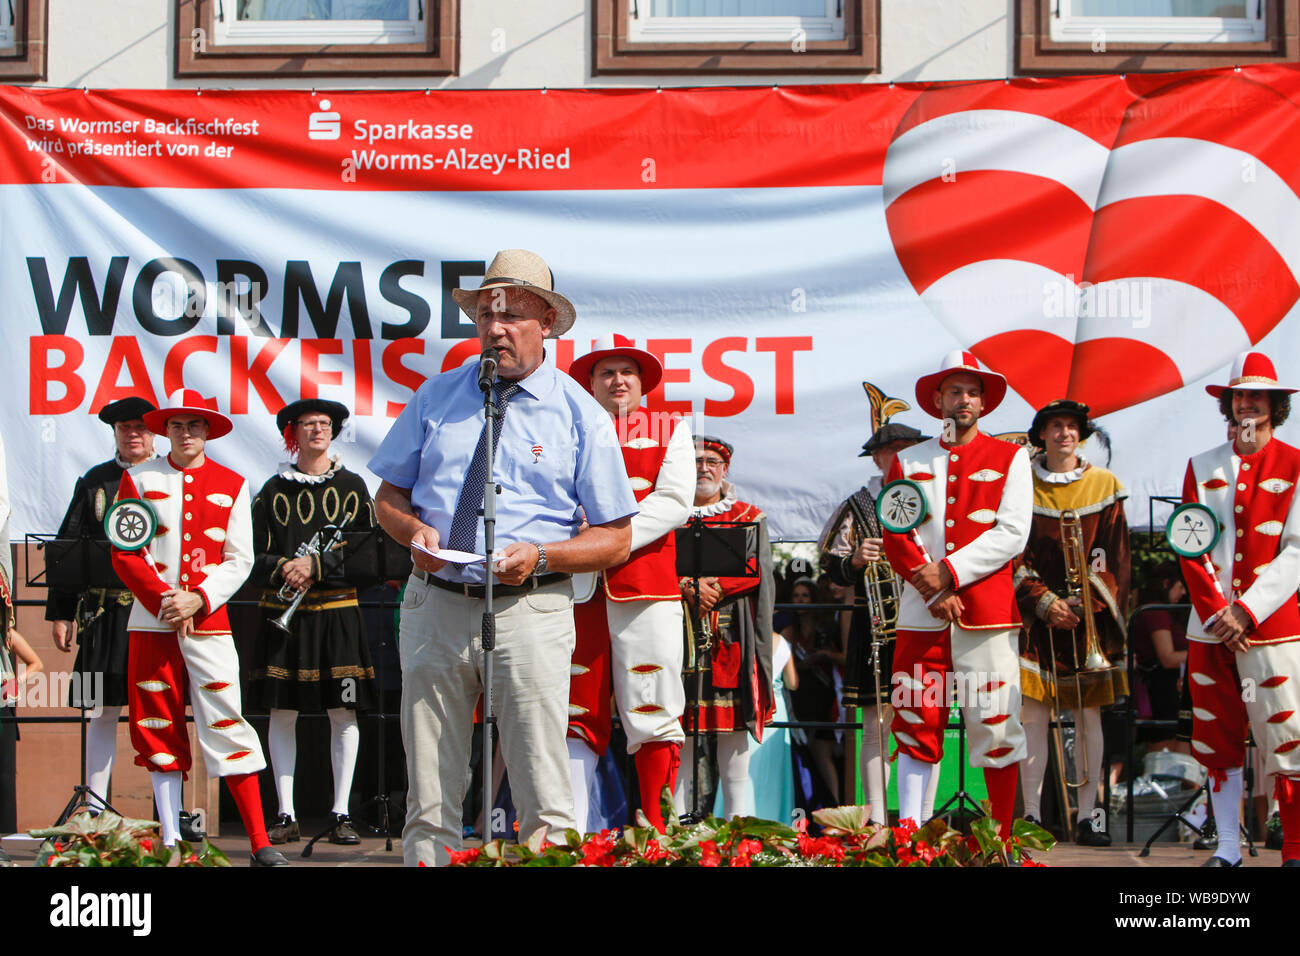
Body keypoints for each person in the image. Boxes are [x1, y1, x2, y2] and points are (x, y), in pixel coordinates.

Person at [369, 249, 637, 866]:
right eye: (486, 314)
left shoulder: (579, 413)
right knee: (429, 795)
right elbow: (387, 498)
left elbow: (616, 538)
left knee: (544, 789)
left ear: (546, 321)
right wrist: (414, 531)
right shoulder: (437, 395)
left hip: (531, 608)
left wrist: (541, 555)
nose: (495, 328)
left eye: (512, 314)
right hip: (434, 603)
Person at [110, 388, 288, 866]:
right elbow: (125, 551)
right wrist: (166, 601)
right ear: (162, 431)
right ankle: (169, 839)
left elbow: (240, 559)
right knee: (156, 723)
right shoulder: (138, 479)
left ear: (207, 431)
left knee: (228, 718)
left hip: (210, 624)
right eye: (176, 425)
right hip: (152, 624)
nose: (185, 433)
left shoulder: (233, 483)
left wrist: (199, 598)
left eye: (194, 425)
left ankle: (258, 842)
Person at [882, 350, 1031, 838]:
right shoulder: (909, 458)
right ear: (937, 400)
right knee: (913, 721)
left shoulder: (1011, 458)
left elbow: (1012, 533)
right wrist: (931, 590)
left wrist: (947, 573)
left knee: (996, 725)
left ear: (983, 403)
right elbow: (895, 531)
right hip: (920, 616)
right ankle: (909, 836)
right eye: (953, 391)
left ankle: (1002, 842)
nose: (962, 399)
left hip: (987, 615)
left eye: (971, 391)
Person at [564, 334, 693, 833]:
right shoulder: (568, 432)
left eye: (627, 373)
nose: (617, 381)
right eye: (606, 373)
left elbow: (675, 501)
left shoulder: (673, 429)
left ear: (642, 384)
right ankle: (569, 834)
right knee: (572, 712)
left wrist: (609, 541)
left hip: (646, 591)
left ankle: (659, 835)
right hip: (576, 590)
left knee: (654, 707)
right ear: (591, 383)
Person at [1178, 351, 1300, 867]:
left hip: (1272, 628)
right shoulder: (1201, 466)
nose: (1247, 404)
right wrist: (1216, 613)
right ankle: (1228, 848)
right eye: (1239, 396)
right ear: (1227, 405)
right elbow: (1189, 544)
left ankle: (1293, 849)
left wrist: (1246, 611)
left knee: (1287, 737)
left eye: (1257, 396)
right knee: (1216, 737)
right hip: (1210, 630)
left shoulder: (1296, 464)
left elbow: (1296, 549)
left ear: (1275, 404)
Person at [251, 398, 378, 846]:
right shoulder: (271, 490)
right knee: (281, 711)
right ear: (293, 433)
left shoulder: (353, 486)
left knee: (342, 712)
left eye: (325, 424)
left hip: (338, 614)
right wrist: (286, 565)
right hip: (287, 618)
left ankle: (341, 812)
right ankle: (284, 812)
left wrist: (318, 567)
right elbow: (250, 554)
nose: (318, 431)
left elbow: (369, 554)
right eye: (308, 424)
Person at [1014, 399, 1130, 846]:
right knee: (1034, 720)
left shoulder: (1105, 485)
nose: (1064, 433)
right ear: (1040, 434)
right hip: (1036, 623)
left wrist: (1085, 604)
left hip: (1088, 625)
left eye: (1071, 427)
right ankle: (1030, 817)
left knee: (1089, 720)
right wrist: (1042, 601)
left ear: (1080, 435)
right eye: (1055, 426)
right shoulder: (1021, 483)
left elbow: (1116, 557)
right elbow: (1012, 552)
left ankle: (1089, 818)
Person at [46, 397, 159, 816]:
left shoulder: (170, 477)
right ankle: (95, 807)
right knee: (99, 707)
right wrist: (61, 611)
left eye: (140, 427)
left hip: (154, 615)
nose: (133, 434)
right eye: (124, 427)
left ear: (154, 433)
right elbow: (69, 546)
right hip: (102, 615)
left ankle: (167, 811)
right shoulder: (95, 480)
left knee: (157, 707)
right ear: (114, 433)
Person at [820, 417, 936, 824]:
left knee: (926, 723)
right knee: (875, 726)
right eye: (895, 449)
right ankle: (877, 821)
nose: (902, 456)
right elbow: (827, 565)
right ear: (877, 457)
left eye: (910, 448)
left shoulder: (930, 499)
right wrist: (853, 561)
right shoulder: (858, 504)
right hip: (875, 631)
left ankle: (919, 820)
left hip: (927, 624)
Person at [673, 435, 775, 820]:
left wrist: (710, 587)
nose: (704, 468)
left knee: (732, 737)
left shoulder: (748, 515)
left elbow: (758, 573)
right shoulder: (670, 514)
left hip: (729, 640)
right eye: (696, 460)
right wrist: (686, 586)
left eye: (712, 461)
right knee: (677, 731)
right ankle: (676, 829)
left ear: (725, 469)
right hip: (677, 639)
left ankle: (737, 827)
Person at [783, 576, 844, 805]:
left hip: (824, 694)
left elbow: (843, 657)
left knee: (822, 753)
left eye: (805, 596)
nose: (800, 601)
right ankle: (806, 804)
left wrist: (824, 656)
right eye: (796, 596)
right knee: (804, 750)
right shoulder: (788, 631)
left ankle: (835, 804)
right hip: (800, 695)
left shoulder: (826, 628)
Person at [1131, 562, 1189, 754]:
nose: (1183, 594)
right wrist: (1202, 656)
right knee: (1164, 747)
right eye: (1180, 587)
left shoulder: (1161, 612)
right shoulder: (1156, 612)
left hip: (1166, 688)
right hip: (1161, 689)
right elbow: (1168, 657)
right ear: (1166, 584)